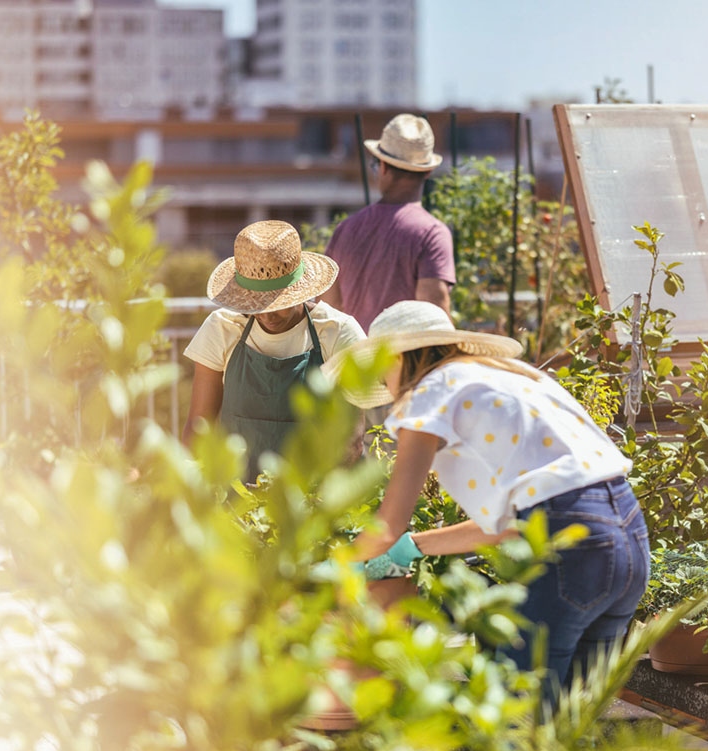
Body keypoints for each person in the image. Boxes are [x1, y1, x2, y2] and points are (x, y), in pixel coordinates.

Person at [328, 300, 649, 697]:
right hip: (630, 540)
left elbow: (387, 526)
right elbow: (522, 522)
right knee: (573, 722)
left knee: (519, 716)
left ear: (398, 357)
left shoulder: (430, 391)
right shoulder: (513, 379)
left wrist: (335, 574)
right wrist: (413, 547)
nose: (387, 389)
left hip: (573, 551)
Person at [182, 220, 366, 477]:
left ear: (300, 291)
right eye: (256, 304)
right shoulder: (223, 328)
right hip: (238, 494)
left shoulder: (338, 332)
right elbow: (199, 426)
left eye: (277, 303)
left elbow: (351, 437)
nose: (266, 315)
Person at [321, 114, 455, 331]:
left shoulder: (345, 230)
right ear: (428, 171)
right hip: (406, 362)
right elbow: (434, 313)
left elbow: (328, 309)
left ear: (383, 167)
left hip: (356, 361)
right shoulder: (432, 233)